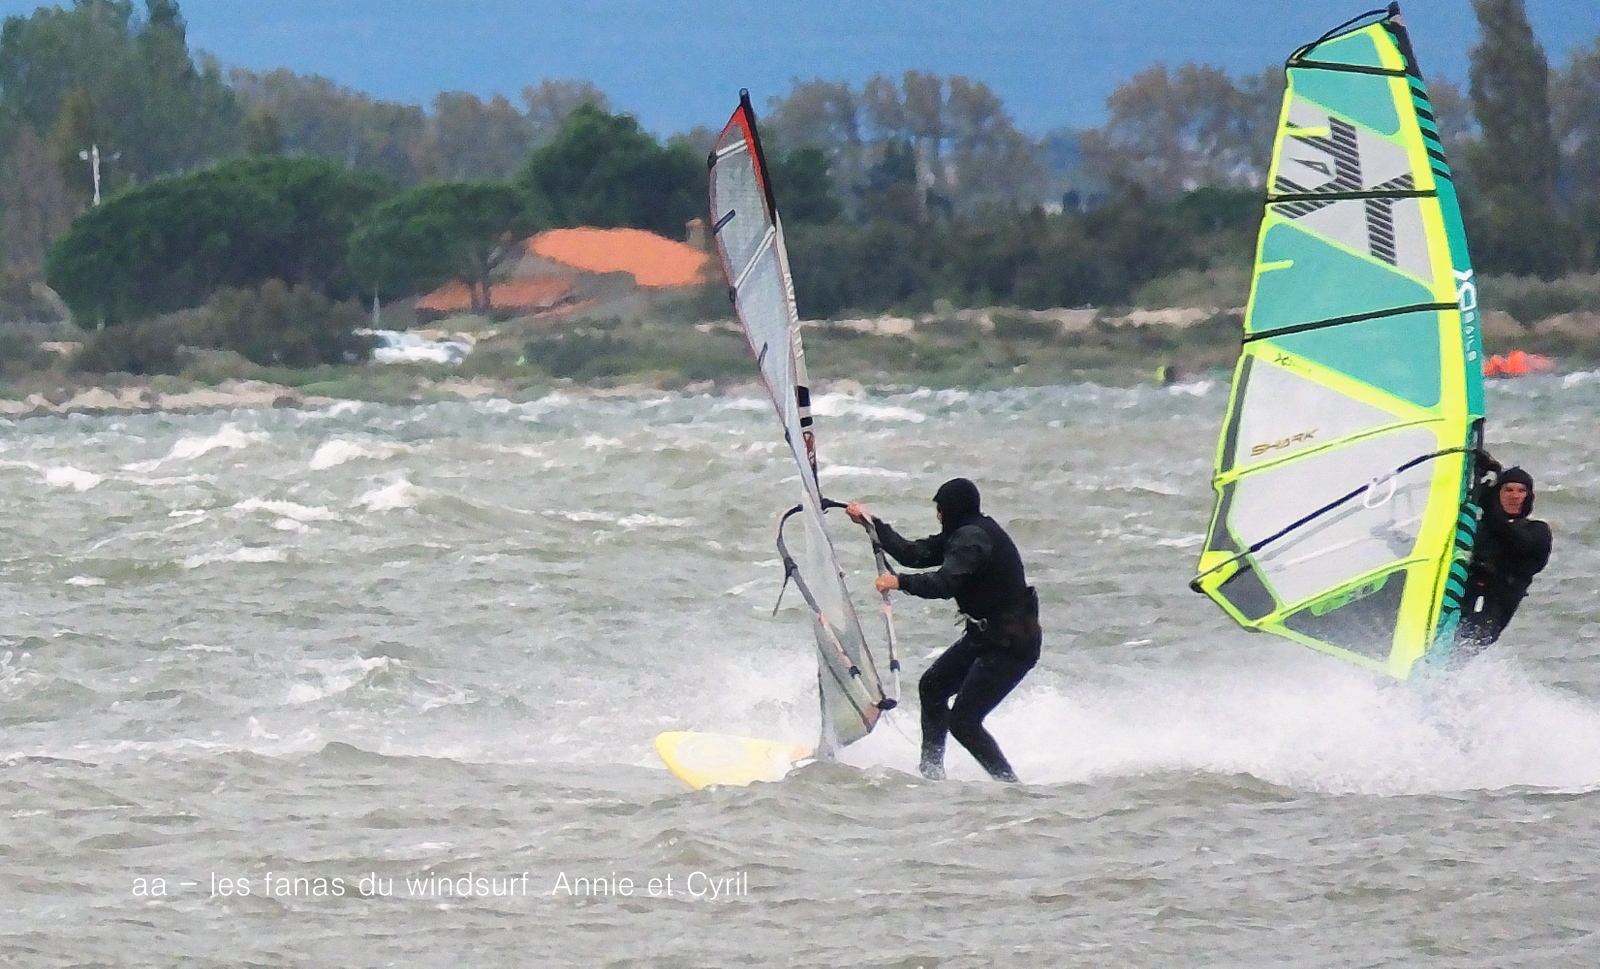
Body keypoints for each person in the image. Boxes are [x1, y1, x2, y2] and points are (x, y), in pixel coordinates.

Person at [846, 478, 1040, 782]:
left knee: (964, 721)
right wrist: (872, 525)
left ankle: (1010, 785)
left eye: (940, 509)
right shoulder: (961, 533)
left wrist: (901, 582)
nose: (938, 516)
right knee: (932, 687)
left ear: (952, 510)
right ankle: (931, 772)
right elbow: (915, 554)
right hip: (985, 636)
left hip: (1011, 643)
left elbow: (946, 583)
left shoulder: (972, 539)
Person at [1455, 454, 1552, 659]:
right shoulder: (1478, 526)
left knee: (1464, 649)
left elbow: (1517, 542)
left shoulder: (1537, 531)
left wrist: (1488, 499)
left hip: (1494, 607)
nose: (1515, 496)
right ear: (1499, 493)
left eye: (1521, 491)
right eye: (1508, 490)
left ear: (1529, 496)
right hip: (1461, 594)